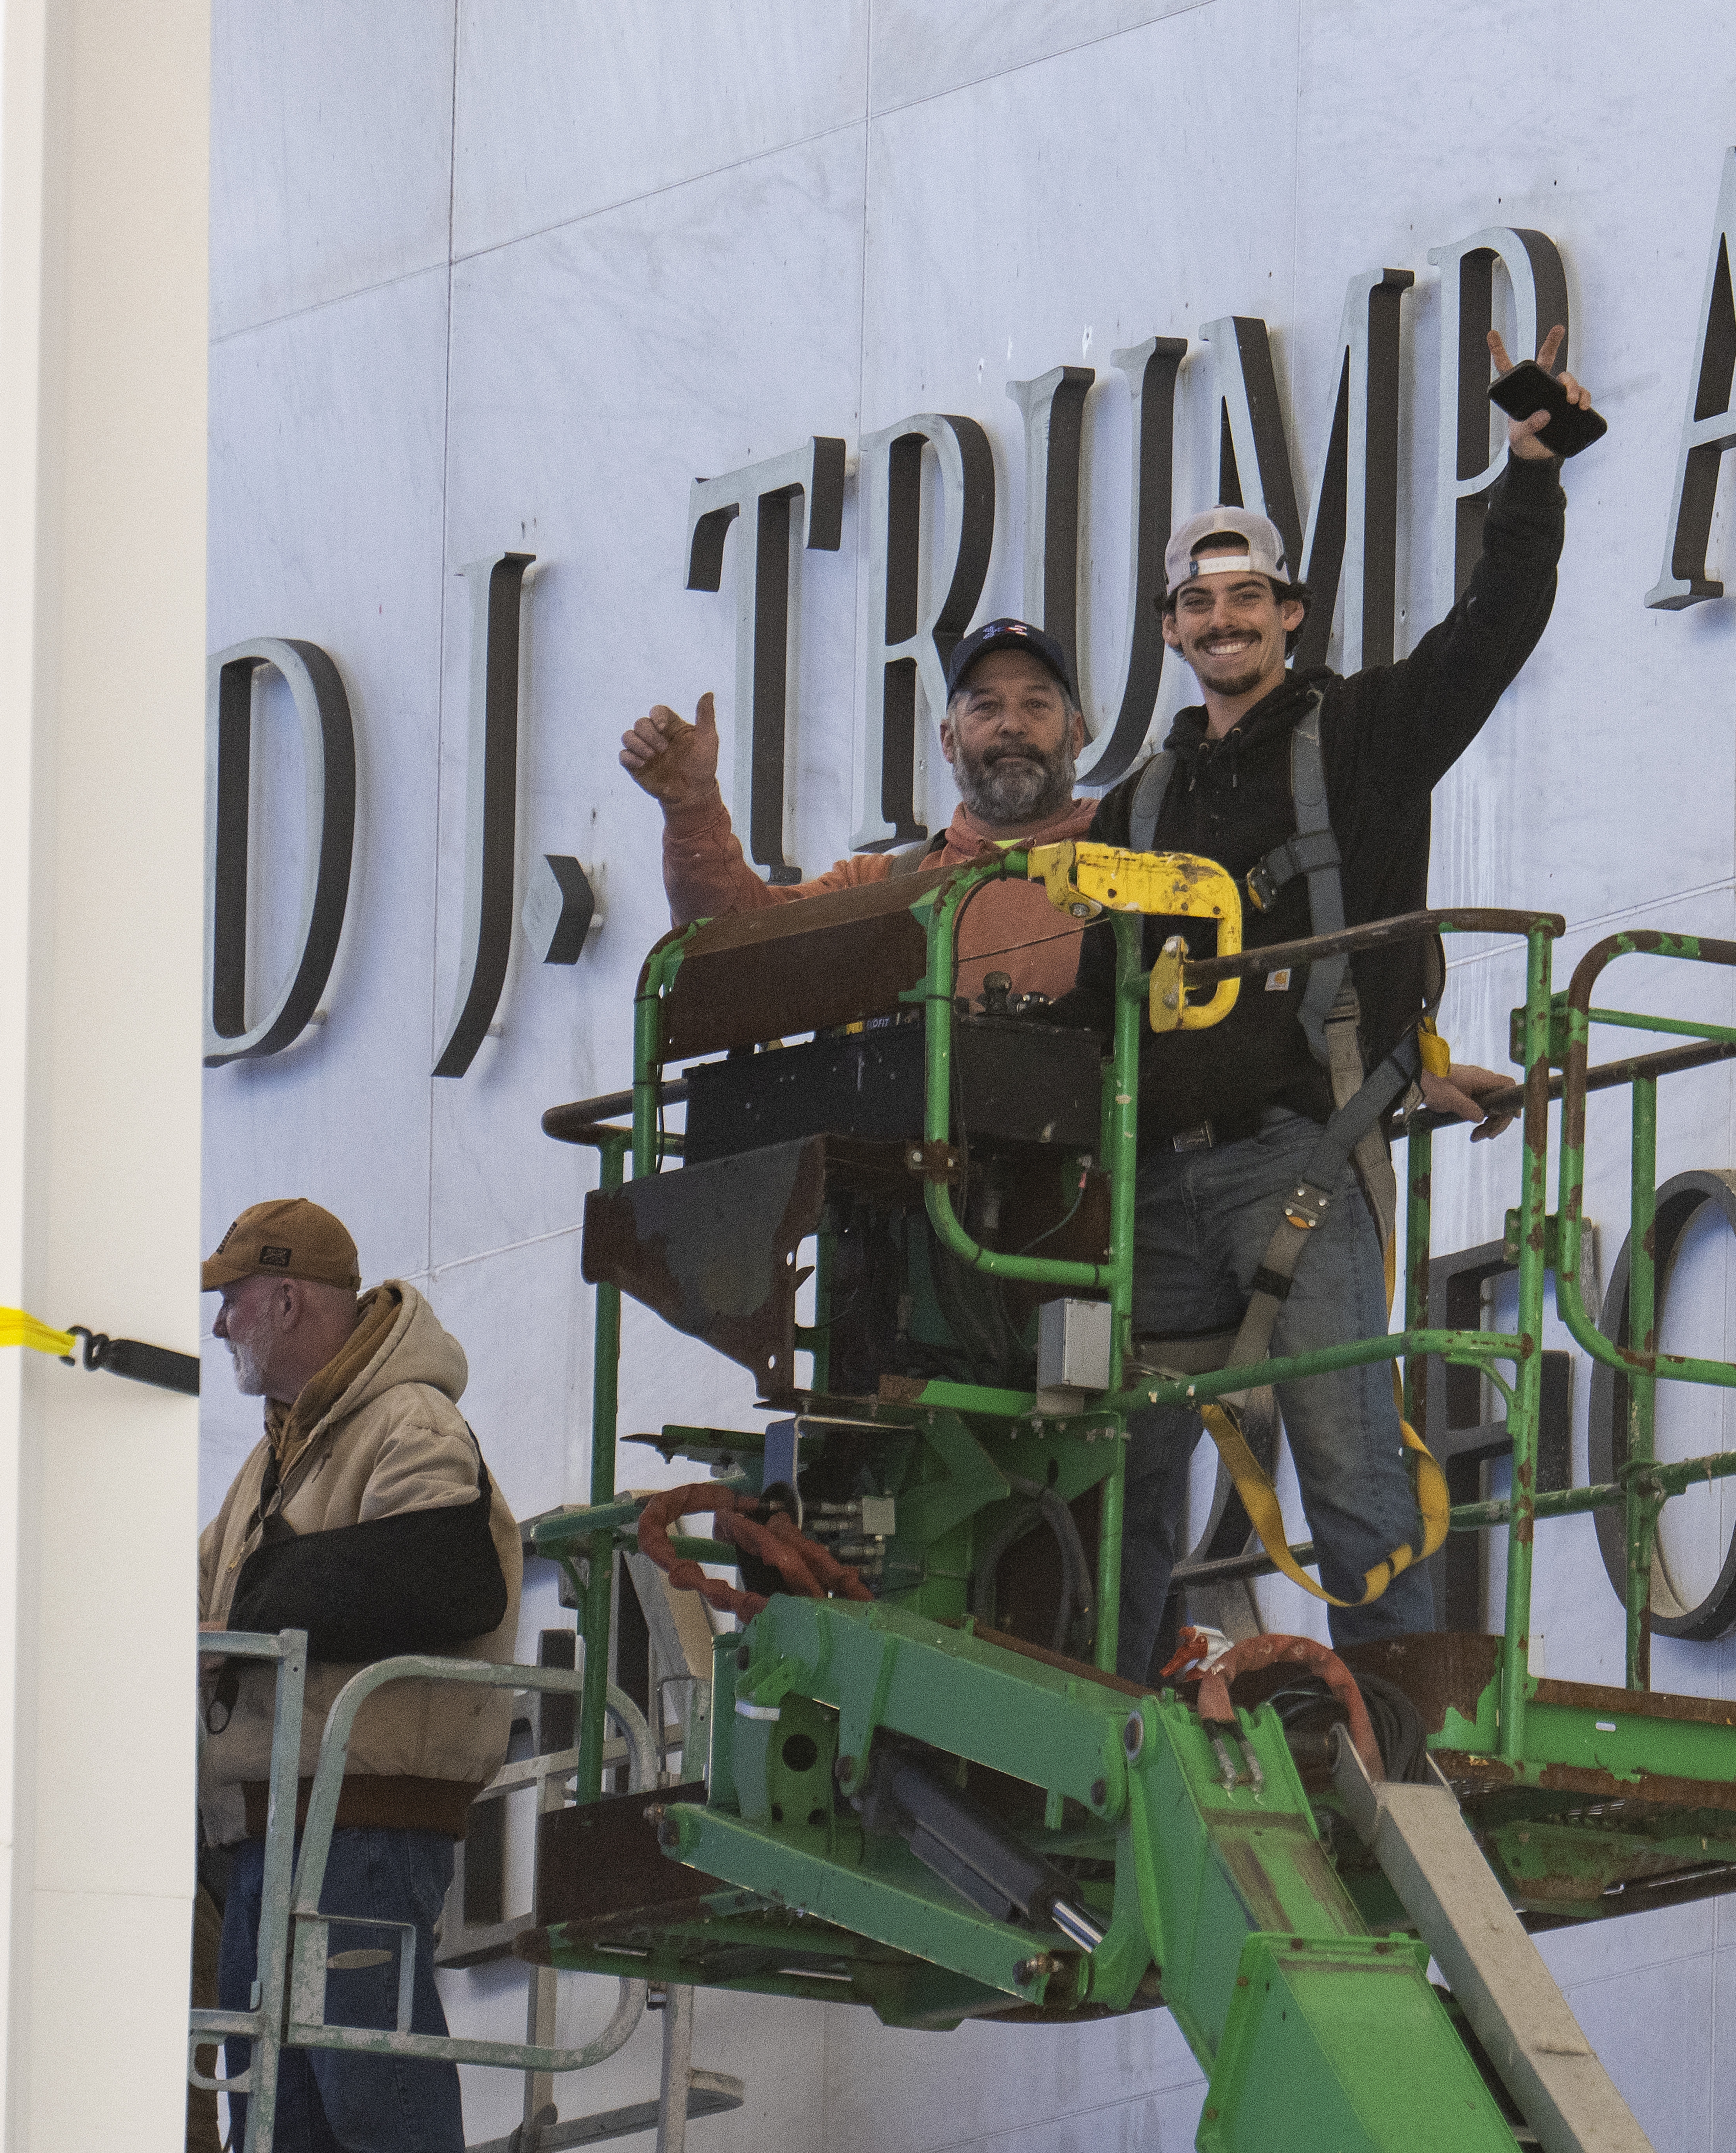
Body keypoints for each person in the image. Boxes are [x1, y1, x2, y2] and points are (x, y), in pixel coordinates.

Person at [1090, 327, 1594, 1680]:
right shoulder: (1132, 803)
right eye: (1199, 609)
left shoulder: (1363, 735)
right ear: (1168, 630)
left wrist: (1536, 460)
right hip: (1153, 1186)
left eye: (1247, 600)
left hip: (1294, 1159)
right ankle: (1119, 1705)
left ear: (1290, 612)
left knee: (1350, 1451)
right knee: (1115, 1481)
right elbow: (1081, 997)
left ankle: (1398, 1721)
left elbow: (1493, 633)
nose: (1224, 623)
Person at [197, 1198, 522, 2153]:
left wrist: (249, 1614)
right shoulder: (277, 1450)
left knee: (371, 2100)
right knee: (276, 2115)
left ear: (289, 1300)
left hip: (359, 1816)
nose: (220, 1326)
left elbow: (441, 1574)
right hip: (278, 1827)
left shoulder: (408, 1419)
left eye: (234, 1300)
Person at [620, 616, 1100, 999]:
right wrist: (692, 808)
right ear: (948, 740)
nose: (1012, 725)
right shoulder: (883, 888)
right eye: (986, 707)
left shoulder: (1138, 856)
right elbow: (732, 953)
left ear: (1076, 734)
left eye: (1036, 705)